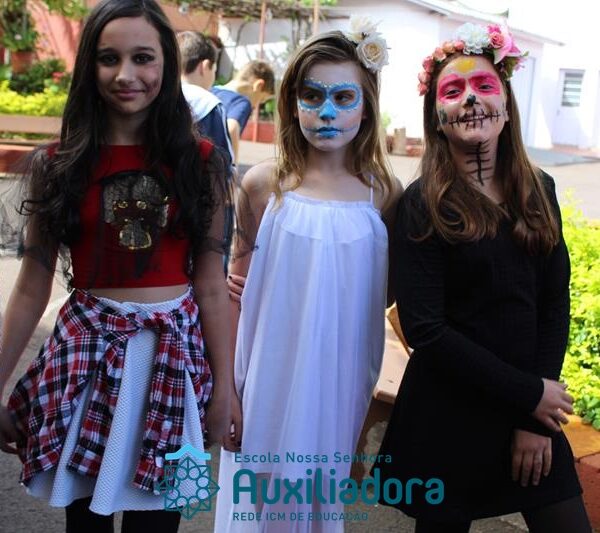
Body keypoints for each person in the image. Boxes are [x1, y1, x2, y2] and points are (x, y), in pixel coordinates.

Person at [0, 1, 233, 531]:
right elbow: (32, 287)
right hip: (86, 359)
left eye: (143, 58)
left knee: (160, 521)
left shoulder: (202, 163)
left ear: (166, 64)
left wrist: (225, 388)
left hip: (173, 362)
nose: (126, 74)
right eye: (109, 59)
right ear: (90, 66)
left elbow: (211, 286)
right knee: (85, 519)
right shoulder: (59, 165)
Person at [374, 23, 591, 533]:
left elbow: (553, 302)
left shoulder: (539, 189)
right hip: (448, 417)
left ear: (507, 105)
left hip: (525, 413)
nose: (471, 98)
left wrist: (533, 416)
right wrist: (530, 394)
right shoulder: (421, 204)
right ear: (437, 117)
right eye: (453, 91)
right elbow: (426, 330)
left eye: (484, 85)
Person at [214, 17, 400, 533]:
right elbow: (234, 293)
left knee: (316, 502)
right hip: (266, 376)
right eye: (312, 96)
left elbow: (387, 299)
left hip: (341, 381)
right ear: (292, 102)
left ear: (367, 106)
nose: (327, 112)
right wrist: (227, 390)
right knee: (260, 503)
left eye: (344, 97)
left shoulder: (384, 194)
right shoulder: (262, 185)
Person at [177, 30, 235, 170]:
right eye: (214, 69)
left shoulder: (156, 94)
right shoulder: (207, 103)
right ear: (204, 66)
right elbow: (223, 164)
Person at [211, 60, 275, 163]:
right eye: (261, 99)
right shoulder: (241, 102)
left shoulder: (211, 90)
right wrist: (233, 165)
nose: (256, 106)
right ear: (259, 85)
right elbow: (232, 128)